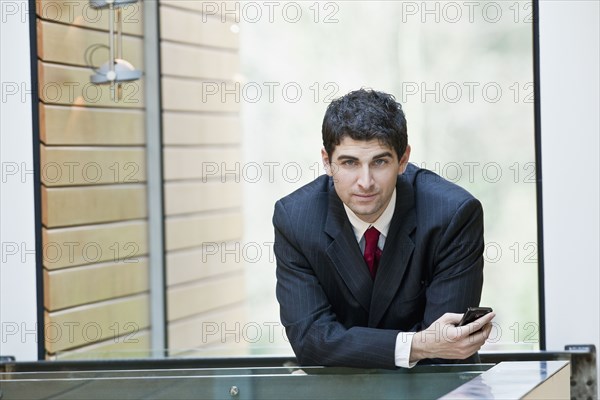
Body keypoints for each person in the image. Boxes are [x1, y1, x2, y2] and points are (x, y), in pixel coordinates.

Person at [273, 88, 495, 369]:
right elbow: (310, 341)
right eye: (349, 163)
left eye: (379, 162)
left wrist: (348, 344)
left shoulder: (453, 215)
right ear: (327, 162)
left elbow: (445, 349)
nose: (365, 182)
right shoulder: (295, 219)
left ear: (403, 160)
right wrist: (417, 344)